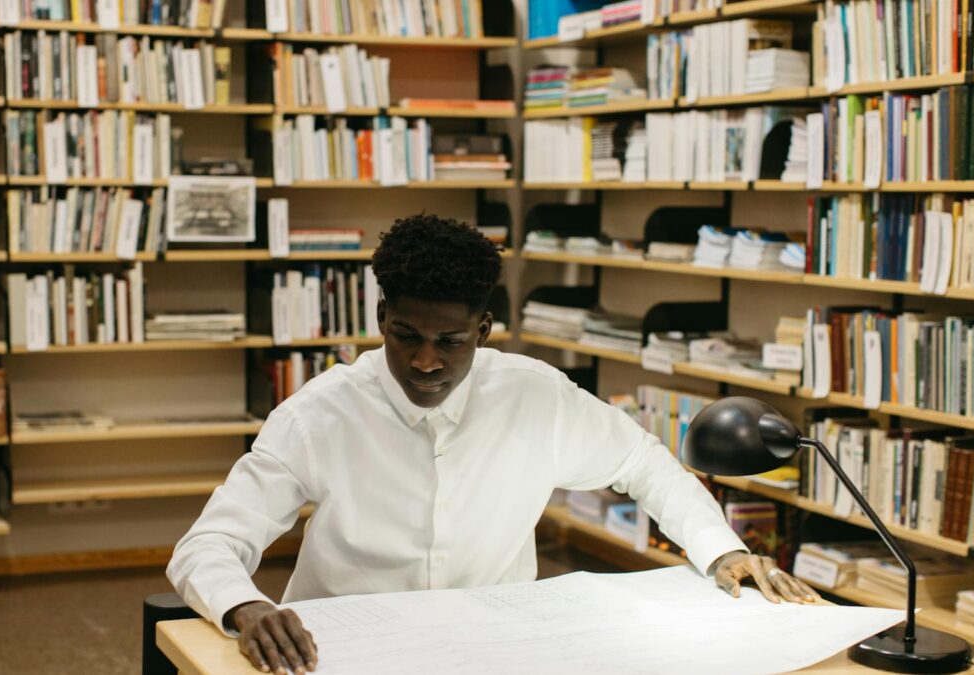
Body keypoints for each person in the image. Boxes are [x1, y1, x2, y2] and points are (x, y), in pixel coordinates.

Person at [167, 214, 818, 675]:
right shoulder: (320, 412)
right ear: (379, 321)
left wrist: (722, 550)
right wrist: (247, 604)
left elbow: (644, 462)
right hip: (337, 654)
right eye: (405, 334)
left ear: (483, 327)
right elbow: (207, 545)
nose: (425, 361)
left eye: (449, 340)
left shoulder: (534, 396)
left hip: (497, 651)